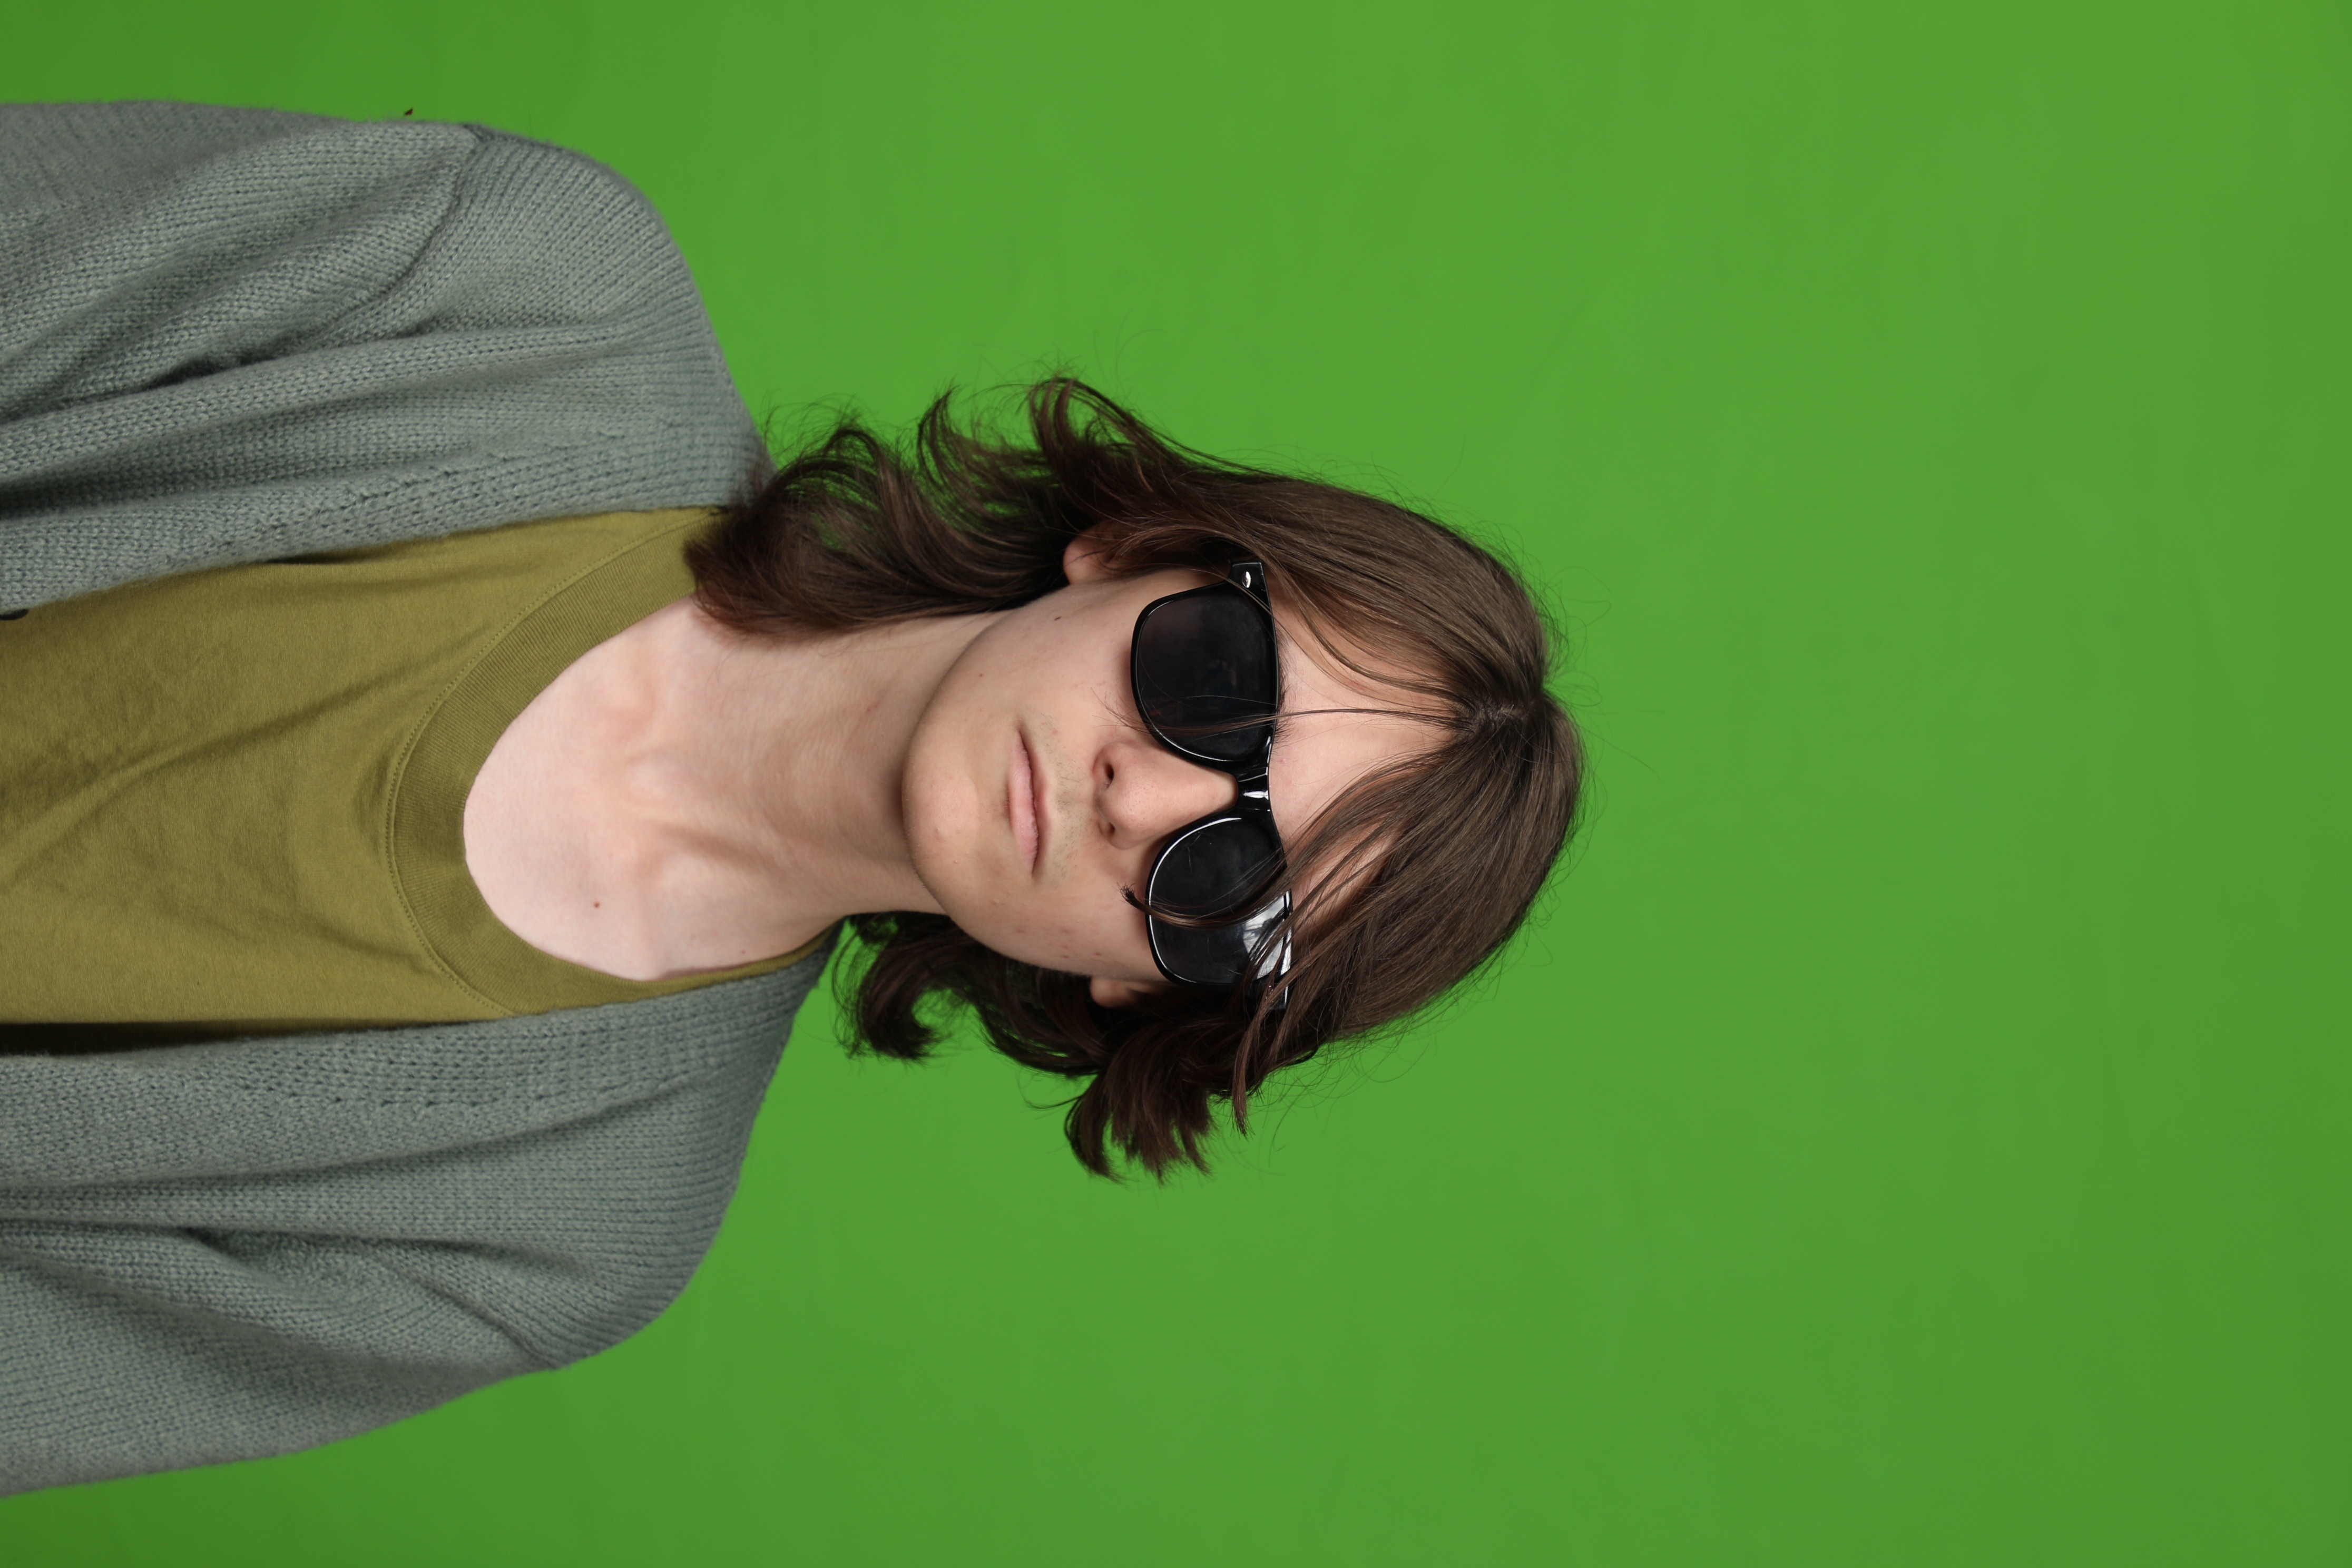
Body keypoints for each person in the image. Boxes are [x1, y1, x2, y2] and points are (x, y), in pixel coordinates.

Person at [0, 101, 1581, 1493]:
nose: (1140, 792)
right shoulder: (523, 290)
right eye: (1216, 678)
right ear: (1136, 551)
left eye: (1229, 880)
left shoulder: (561, 1231)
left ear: (1138, 984)